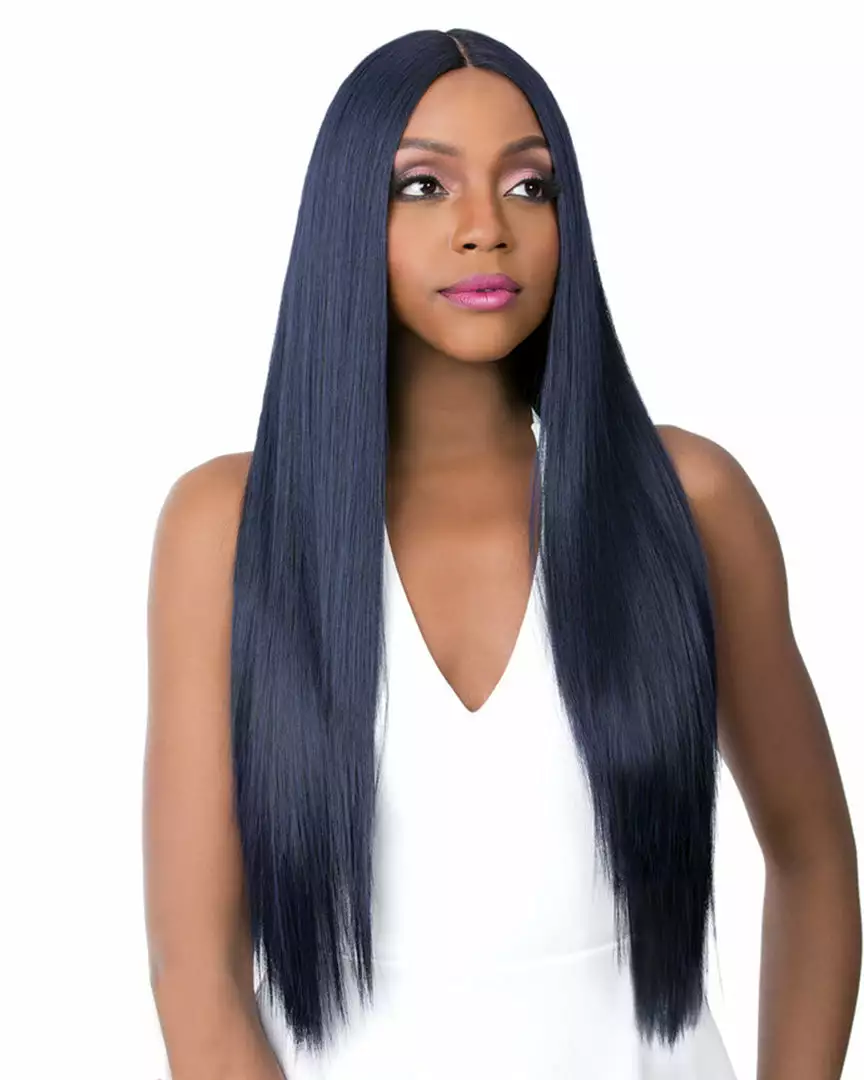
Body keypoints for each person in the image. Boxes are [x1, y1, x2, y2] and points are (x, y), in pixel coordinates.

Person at [144, 27, 861, 1080]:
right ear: (347, 213)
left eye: (530, 187)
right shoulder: (227, 526)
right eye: (424, 187)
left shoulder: (689, 502)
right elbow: (194, 974)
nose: (486, 228)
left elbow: (813, 858)